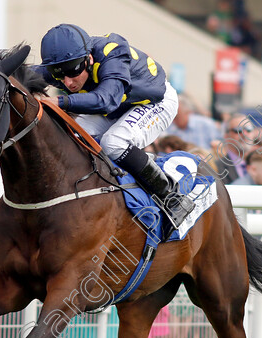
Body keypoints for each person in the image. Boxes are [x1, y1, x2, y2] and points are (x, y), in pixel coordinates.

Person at [35, 24, 190, 231]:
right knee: (70, 138)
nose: (68, 82)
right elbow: (18, 74)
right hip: (117, 106)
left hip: (154, 101)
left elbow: (106, 100)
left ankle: (171, 197)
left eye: (73, 71)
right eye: (58, 75)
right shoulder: (65, 65)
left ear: (88, 59)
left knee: (114, 143)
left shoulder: (112, 52)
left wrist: (60, 102)